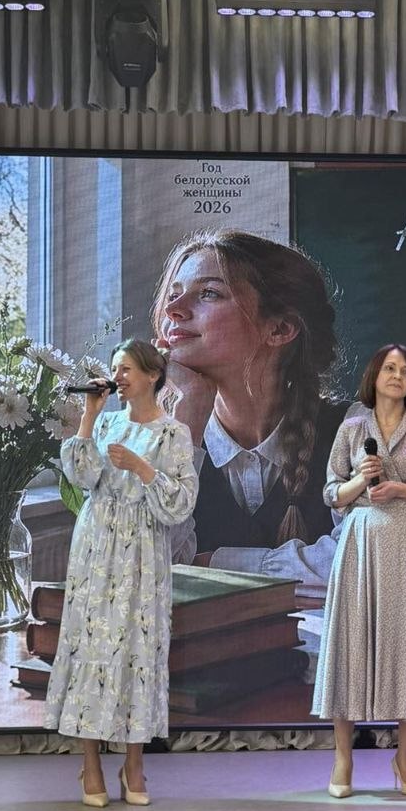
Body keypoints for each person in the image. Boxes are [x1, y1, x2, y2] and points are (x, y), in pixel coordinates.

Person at [44, 340, 199, 807]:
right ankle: (90, 763)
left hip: (143, 552)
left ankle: (134, 763)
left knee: (137, 648)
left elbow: (181, 503)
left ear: (153, 375)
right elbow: (81, 476)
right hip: (96, 546)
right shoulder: (107, 421)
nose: (119, 377)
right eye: (115, 369)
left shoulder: (174, 433)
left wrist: (142, 468)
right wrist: (89, 414)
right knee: (93, 645)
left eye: (127, 368)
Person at [151, 229, 348, 595]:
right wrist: (187, 412)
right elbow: (144, 569)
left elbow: (371, 563)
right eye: (174, 294)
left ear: (280, 329)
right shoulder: (153, 442)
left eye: (209, 293)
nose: (173, 310)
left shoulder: (356, 431)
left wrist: (213, 563)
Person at [312, 345, 406, 797]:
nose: (397, 376)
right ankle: (343, 759)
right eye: (390, 369)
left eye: (405, 371)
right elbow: (331, 493)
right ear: (374, 377)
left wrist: (401, 489)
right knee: (351, 646)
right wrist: (361, 479)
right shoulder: (352, 428)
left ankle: (405, 759)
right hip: (360, 548)